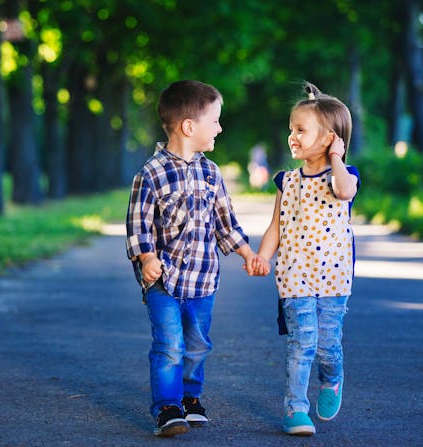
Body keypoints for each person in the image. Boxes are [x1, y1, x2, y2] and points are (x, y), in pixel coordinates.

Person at [125, 80, 257, 437]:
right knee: (169, 344)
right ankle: (167, 407)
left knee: (197, 345)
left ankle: (190, 397)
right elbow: (138, 224)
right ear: (189, 127)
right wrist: (147, 256)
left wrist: (246, 252)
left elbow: (225, 222)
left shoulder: (212, 173)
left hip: (202, 280)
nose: (219, 127)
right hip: (163, 281)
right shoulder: (150, 174)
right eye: (214, 120)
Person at [250, 81, 361, 436]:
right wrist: (262, 257)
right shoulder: (287, 181)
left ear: (329, 138)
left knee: (328, 345)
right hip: (294, 276)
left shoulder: (344, 176)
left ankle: (333, 378)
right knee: (302, 343)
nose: (292, 137)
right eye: (291, 129)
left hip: (333, 279)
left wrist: (336, 158)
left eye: (300, 130)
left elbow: (344, 192)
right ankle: (296, 409)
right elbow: (276, 227)